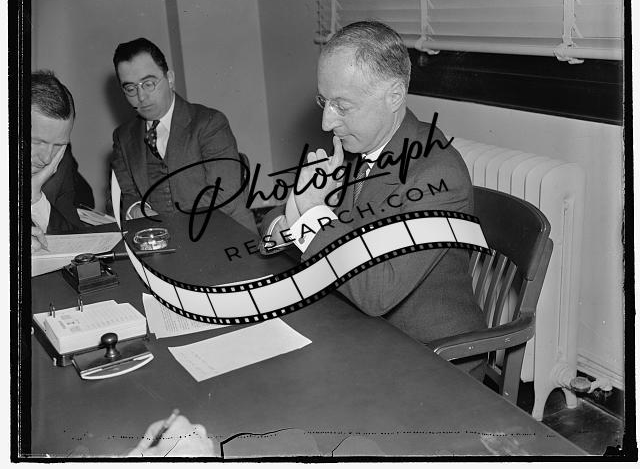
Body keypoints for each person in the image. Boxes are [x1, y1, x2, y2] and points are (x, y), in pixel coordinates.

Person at [261, 21, 485, 372]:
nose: (325, 123)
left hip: (430, 359)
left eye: (342, 106)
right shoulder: (359, 147)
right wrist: (297, 207)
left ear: (394, 95)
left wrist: (313, 211)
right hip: (358, 332)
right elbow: (271, 222)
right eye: (324, 101)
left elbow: (376, 292)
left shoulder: (437, 174)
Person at [111, 38, 256, 233]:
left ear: (170, 79)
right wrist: (136, 209)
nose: (141, 97)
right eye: (130, 89)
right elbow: (125, 195)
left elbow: (223, 198)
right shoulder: (123, 137)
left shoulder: (210, 123)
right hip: (161, 242)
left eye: (149, 84)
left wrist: (168, 227)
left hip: (224, 235)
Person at [31, 70, 89, 252]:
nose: (47, 158)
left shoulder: (61, 162)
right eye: (37, 142)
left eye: (58, 144)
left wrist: (35, 198)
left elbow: (73, 237)